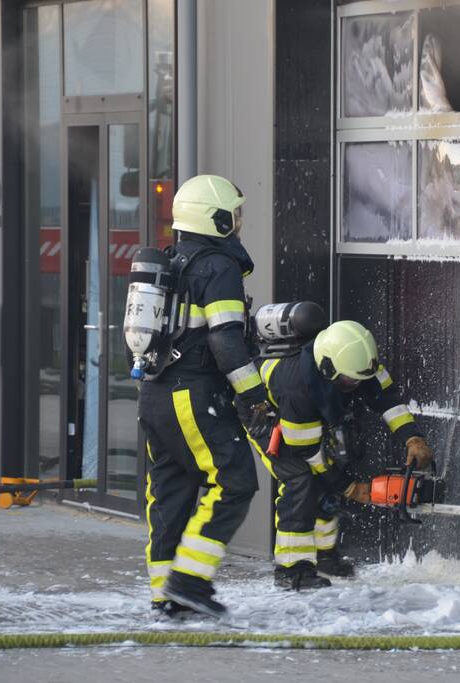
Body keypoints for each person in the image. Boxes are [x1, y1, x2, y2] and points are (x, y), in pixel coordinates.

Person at [136, 174, 271, 619]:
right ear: (214, 218)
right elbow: (226, 341)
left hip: (154, 395)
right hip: (193, 395)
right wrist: (255, 396)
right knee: (234, 483)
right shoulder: (218, 267)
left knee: (170, 492)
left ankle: (165, 596)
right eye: (234, 214)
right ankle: (190, 583)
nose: (239, 222)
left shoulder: (173, 262)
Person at [244, 320, 435, 590]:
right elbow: (308, 452)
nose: (356, 386)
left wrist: (412, 438)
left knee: (331, 472)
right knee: (301, 479)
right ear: (328, 368)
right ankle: (292, 570)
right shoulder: (296, 386)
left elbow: (388, 399)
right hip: (267, 416)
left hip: (310, 416)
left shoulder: (358, 363)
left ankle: (323, 556)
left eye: (360, 380)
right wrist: (352, 489)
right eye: (349, 381)